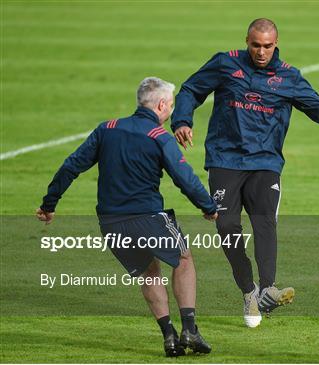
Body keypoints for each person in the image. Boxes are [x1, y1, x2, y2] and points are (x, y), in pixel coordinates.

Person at [171, 18, 319, 328]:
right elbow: (190, 89)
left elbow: (318, 107)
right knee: (226, 226)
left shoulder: (288, 76)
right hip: (225, 159)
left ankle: (267, 289)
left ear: (276, 44)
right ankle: (248, 290)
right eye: (255, 45)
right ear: (246, 41)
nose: (261, 52)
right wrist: (182, 120)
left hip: (265, 162)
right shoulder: (225, 63)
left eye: (267, 46)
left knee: (265, 222)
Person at [36, 77, 218, 357]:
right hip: (147, 217)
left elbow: (71, 165)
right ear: (161, 105)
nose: (170, 111)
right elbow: (185, 178)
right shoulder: (159, 137)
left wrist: (49, 204)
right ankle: (190, 329)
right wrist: (208, 206)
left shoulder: (107, 129)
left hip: (110, 223)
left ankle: (169, 335)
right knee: (182, 259)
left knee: (149, 272)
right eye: (170, 106)